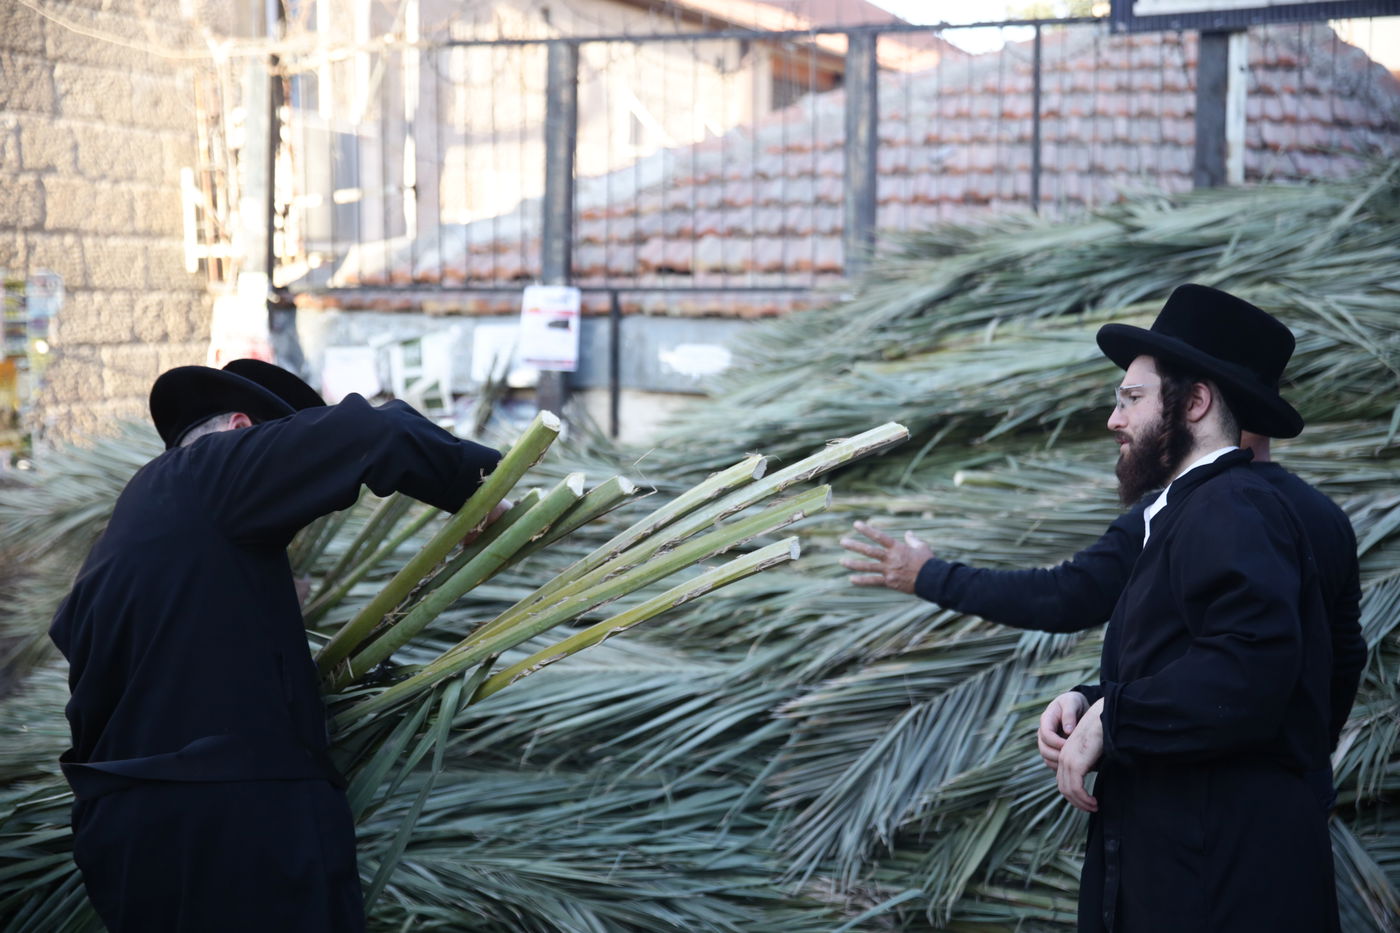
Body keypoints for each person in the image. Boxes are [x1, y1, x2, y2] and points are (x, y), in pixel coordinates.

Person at [847, 285, 1348, 931]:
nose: (1114, 419)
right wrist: (1096, 697)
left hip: (1211, 867)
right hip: (1244, 842)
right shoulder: (1277, 510)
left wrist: (1120, 716)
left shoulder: (1226, 505)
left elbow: (1249, 666)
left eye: (1131, 398)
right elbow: (1311, 667)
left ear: (1196, 401)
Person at [48, 361, 501, 933]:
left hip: (137, 840)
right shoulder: (207, 473)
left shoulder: (135, 537)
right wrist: (480, 490)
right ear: (244, 431)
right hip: (230, 837)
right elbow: (373, 432)